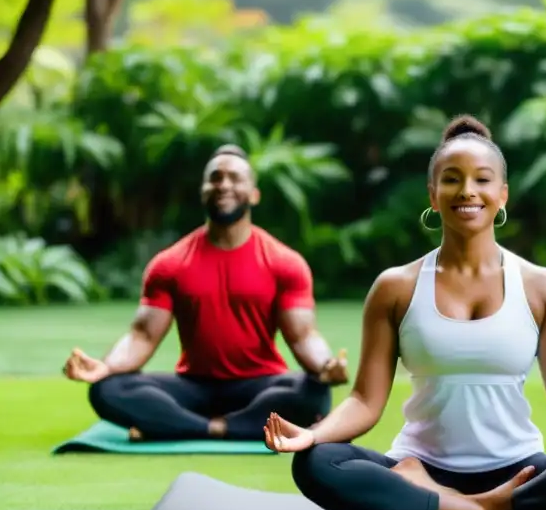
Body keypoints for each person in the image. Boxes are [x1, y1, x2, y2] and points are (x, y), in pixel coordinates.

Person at [264, 115, 546, 510]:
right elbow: (364, 400)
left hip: (520, 468)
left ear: (502, 194)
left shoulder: (544, 287)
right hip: (417, 463)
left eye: (482, 179)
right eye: (451, 179)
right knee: (317, 463)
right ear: (433, 196)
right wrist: (311, 435)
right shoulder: (395, 287)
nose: (467, 191)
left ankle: (450, 506)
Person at [62, 145, 349, 441]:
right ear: (203, 191)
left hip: (261, 389)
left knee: (314, 393)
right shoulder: (169, 264)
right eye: (215, 178)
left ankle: (175, 425)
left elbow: (303, 336)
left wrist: (326, 366)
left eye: (235, 178)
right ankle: (224, 428)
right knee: (108, 389)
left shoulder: (285, 263)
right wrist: (106, 366)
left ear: (254, 194)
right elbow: (142, 336)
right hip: (192, 388)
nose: (224, 185)